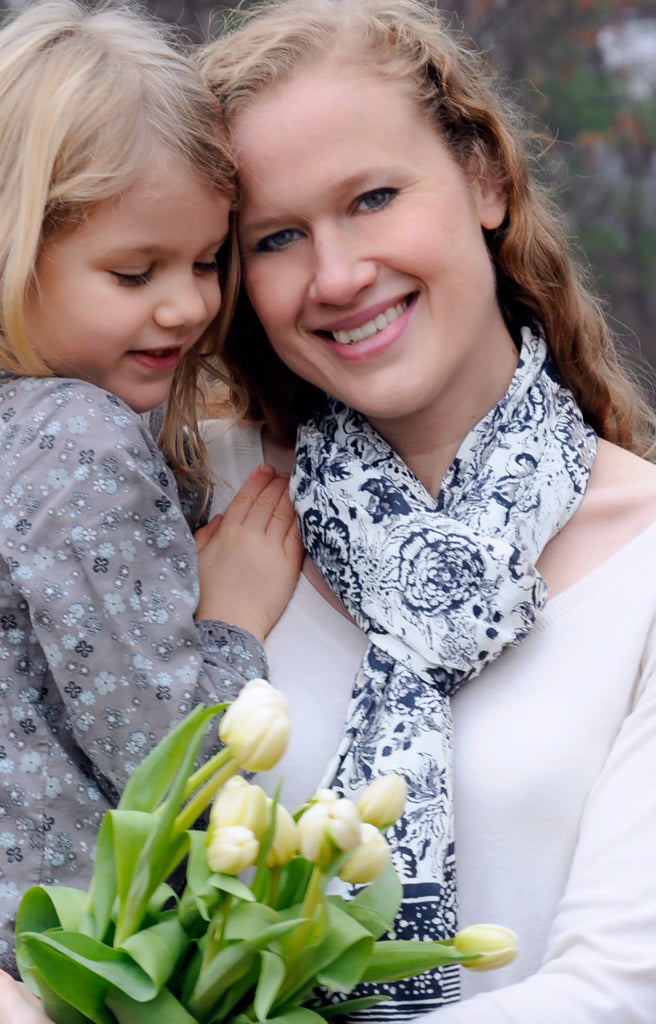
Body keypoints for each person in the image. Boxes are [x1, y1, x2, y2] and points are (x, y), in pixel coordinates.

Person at [196, 1, 656, 1021]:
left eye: (370, 198)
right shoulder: (195, 507)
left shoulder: (645, 564)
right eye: (275, 236)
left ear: (484, 180)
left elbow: (617, 990)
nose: (336, 275)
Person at [0, 0, 303, 1003]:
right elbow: (168, 770)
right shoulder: (75, 442)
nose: (188, 306)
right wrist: (232, 620)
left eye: (208, 260)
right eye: (134, 271)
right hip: (78, 966)